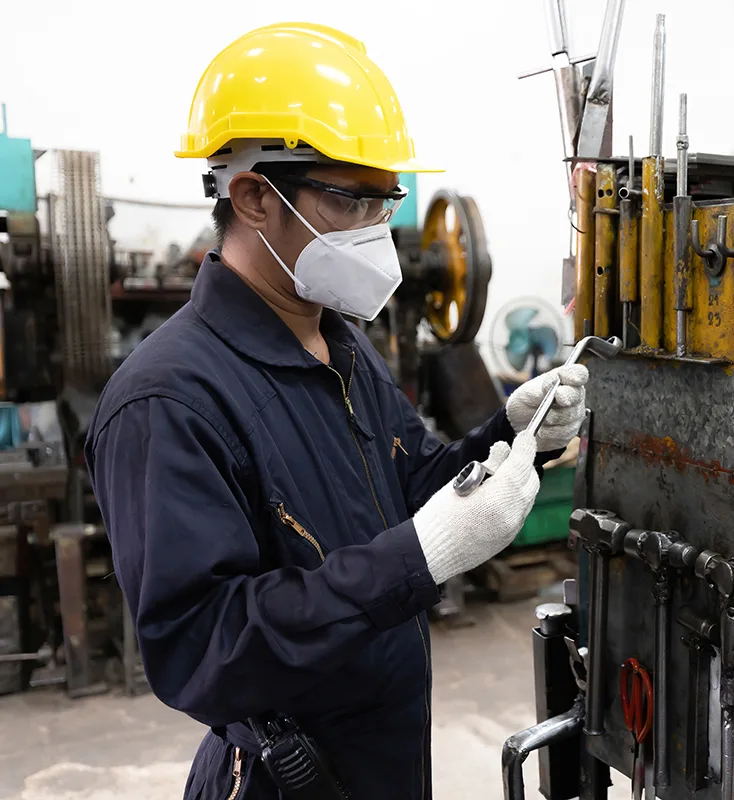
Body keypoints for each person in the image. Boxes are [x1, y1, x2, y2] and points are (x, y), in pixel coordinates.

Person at [85, 22, 588, 800]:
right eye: (353, 200)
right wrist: (417, 559)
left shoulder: (341, 345)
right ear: (254, 195)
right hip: (287, 778)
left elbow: (413, 483)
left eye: (386, 201)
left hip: (386, 756)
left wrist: (512, 434)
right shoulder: (168, 401)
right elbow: (202, 649)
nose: (379, 233)